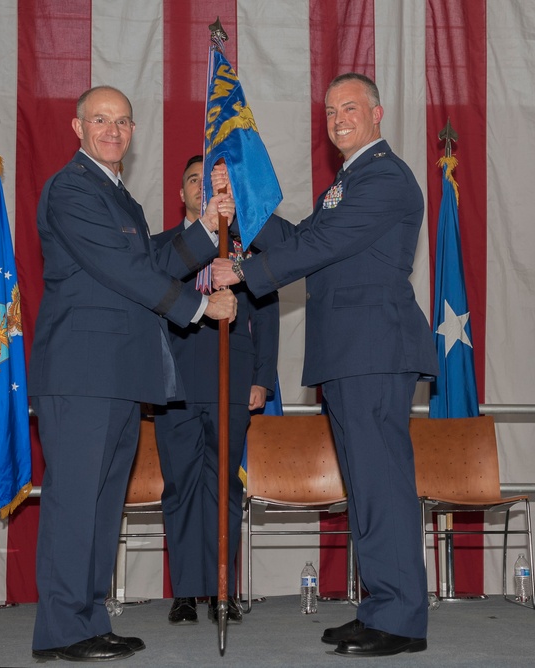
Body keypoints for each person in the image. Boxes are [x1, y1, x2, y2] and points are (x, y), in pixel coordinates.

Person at [211, 72, 437, 658]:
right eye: (331, 109)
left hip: (373, 348)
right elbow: (305, 234)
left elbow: (322, 247)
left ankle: (402, 619)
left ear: (378, 113)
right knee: (364, 486)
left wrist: (245, 271)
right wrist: (246, 213)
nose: (338, 117)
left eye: (350, 107)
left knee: (382, 483)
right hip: (348, 351)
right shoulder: (348, 181)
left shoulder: (386, 175)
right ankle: (381, 606)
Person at [28, 86, 237, 662]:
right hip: (82, 373)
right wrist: (198, 307)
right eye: (101, 120)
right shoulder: (72, 188)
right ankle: (63, 631)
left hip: (118, 375)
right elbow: (124, 272)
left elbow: (151, 264)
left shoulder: (119, 196)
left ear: (134, 130)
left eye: (122, 121)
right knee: (75, 504)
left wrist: (203, 227)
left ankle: (88, 620)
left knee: (99, 507)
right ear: (78, 128)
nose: (112, 131)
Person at [151, 155, 279, 625]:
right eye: (192, 181)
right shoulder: (161, 248)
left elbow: (265, 315)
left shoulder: (245, 249)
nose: (200, 188)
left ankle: (223, 590)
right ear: (182, 192)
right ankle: (187, 592)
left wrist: (263, 378)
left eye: (209, 182)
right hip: (176, 382)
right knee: (181, 486)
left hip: (233, 379)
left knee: (224, 486)